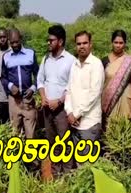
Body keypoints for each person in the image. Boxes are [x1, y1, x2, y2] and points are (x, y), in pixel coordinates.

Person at [37, 25, 75, 177]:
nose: (48, 43)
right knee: (52, 144)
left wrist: (59, 101)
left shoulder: (70, 60)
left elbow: (71, 86)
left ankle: (67, 176)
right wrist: (43, 97)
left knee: (65, 143)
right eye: (48, 40)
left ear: (60, 41)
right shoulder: (46, 59)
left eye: (51, 40)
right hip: (47, 109)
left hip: (62, 109)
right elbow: (40, 80)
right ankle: (55, 174)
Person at [64, 31, 104, 157]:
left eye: (85, 43)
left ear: (90, 44)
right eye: (79, 43)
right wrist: (69, 112)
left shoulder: (96, 64)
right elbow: (69, 90)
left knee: (88, 164)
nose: (82, 46)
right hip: (74, 123)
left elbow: (94, 94)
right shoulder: (74, 65)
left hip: (89, 123)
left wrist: (77, 114)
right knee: (78, 161)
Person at [0, 28, 39, 138]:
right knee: (15, 132)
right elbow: (3, 77)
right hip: (14, 101)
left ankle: (30, 154)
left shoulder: (30, 54)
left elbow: (38, 74)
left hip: (28, 100)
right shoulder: (6, 56)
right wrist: (10, 86)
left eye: (17, 42)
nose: (15, 45)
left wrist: (33, 88)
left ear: (21, 39)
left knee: (30, 132)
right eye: (12, 43)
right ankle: (17, 154)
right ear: (9, 42)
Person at [101, 30, 131, 127]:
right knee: (108, 132)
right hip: (107, 103)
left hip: (126, 104)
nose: (118, 45)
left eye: (121, 43)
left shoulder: (130, 61)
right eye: (116, 42)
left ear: (125, 44)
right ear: (112, 43)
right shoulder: (104, 61)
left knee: (123, 131)